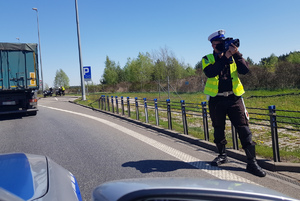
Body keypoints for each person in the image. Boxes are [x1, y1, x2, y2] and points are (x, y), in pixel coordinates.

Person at [201, 30, 266, 177]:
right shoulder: (207, 58)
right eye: (220, 44)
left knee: (244, 130)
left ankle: (252, 162)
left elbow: (245, 70)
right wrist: (224, 57)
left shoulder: (234, 56)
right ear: (213, 45)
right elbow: (211, 72)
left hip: (234, 98)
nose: (223, 46)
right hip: (216, 99)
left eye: (225, 43)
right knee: (218, 129)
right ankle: (222, 155)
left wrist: (236, 54)